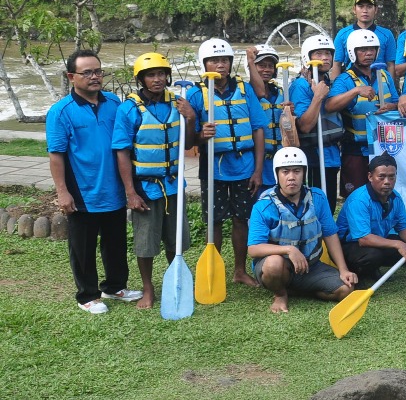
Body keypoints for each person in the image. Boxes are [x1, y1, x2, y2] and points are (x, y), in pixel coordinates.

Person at [49, 50, 136, 314]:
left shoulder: (114, 103)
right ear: (71, 77)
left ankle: (115, 287)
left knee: (116, 242)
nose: (94, 76)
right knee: (83, 248)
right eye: (87, 72)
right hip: (83, 191)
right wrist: (63, 192)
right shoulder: (61, 112)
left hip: (113, 188)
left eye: (98, 71)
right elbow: (56, 156)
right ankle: (87, 296)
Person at [112, 52, 198, 310]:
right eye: (151, 75)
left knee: (176, 239)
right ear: (141, 79)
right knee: (145, 243)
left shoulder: (178, 104)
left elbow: (189, 145)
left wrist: (191, 118)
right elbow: (122, 152)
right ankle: (148, 289)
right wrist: (130, 193)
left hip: (173, 184)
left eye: (161, 74)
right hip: (146, 187)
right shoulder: (129, 109)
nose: (157, 79)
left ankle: (176, 282)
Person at [187, 38, 267, 289]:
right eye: (214, 60)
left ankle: (240, 271)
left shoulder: (244, 89)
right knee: (214, 221)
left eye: (224, 60)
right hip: (213, 168)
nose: (220, 65)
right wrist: (201, 135)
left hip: (244, 166)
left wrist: (258, 170)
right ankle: (214, 269)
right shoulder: (195, 94)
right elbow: (189, 139)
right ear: (204, 64)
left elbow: (258, 129)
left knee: (242, 219)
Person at [247, 147, 356, 314]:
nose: (291, 177)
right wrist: (289, 250)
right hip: (279, 266)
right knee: (273, 264)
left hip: (311, 267)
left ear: (304, 173)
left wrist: (343, 269)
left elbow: (330, 234)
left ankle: (299, 289)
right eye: (285, 172)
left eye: (297, 171)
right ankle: (280, 293)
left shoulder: (317, 198)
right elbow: (254, 249)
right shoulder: (263, 206)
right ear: (277, 174)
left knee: (346, 290)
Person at [326, 30, 400, 196]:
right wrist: (356, 91)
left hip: (384, 148)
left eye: (372, 49)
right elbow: (329, 105)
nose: (369, 53)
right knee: (357, 197)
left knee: (384, 195)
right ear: (353, 52)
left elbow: (397, 102)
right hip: (356, 151)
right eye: (363, 50)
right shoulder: (345, 79)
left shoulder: (385, 75)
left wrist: (392, 106)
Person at [335, 153, 406, 281]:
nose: (387, 182)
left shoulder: (395, 197)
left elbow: (403, 226)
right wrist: (397, 244)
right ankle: (357, 272)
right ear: (370, 177)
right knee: (374, 255)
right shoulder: (359, 200)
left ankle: (372, 268)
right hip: (349, 245)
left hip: (376, 242)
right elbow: (364, 239)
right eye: (381, 177)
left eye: (391, 177)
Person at [292, 34, 342, 209]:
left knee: (329, 205)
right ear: (308, 57)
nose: (325, 57)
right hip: (314, 156)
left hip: (331, 155)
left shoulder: (329, 82)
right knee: (315, 207)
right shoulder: (301, 85)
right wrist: (318, 97)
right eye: (319, 54)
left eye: (328, 53)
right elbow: (304, 126)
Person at [245, 44, 285, 195]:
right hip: (258, 159)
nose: (267, 69)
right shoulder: (246, 91)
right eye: (261, 66)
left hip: (278, 157)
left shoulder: (280, 92)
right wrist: (250, 61)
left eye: (270, 66)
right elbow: (259, 92)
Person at [334, 0, 396, 73]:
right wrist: (337, 81)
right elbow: (337, 64)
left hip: (379, 78)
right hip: (351, 79)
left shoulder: (387, 35)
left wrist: (390, 81)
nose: (365, 11)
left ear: (376, 10)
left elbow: (390, 65)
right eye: (361, 6)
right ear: (354, 9)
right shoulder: (342, 34)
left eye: (369, 7)